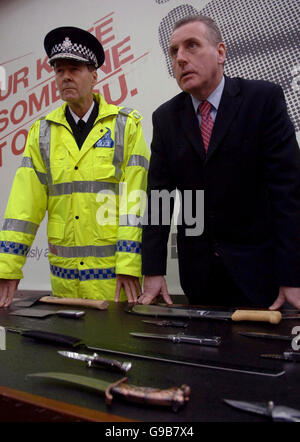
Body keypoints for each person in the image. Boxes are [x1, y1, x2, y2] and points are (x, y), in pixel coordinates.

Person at [140, 15, 300, 309]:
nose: (181, 58)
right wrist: (153, 270)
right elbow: (160, 199)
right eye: (174, 51)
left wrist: (292, 274)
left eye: (192, 46)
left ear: (221, 52)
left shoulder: (263, 101)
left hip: (262, 277)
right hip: (199, 278)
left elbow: (288, 193)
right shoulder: (165, 119)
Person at [0, 26, 149, 307]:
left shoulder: (126, 126)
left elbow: (135, 201)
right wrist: (7, 267)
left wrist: (129, 263)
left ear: (94, 75)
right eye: (59, 70)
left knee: (115, 347)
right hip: (64, 283)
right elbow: (23, 208)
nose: (65, 76)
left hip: (115, 283)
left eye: (75, 68)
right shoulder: (42, 133)